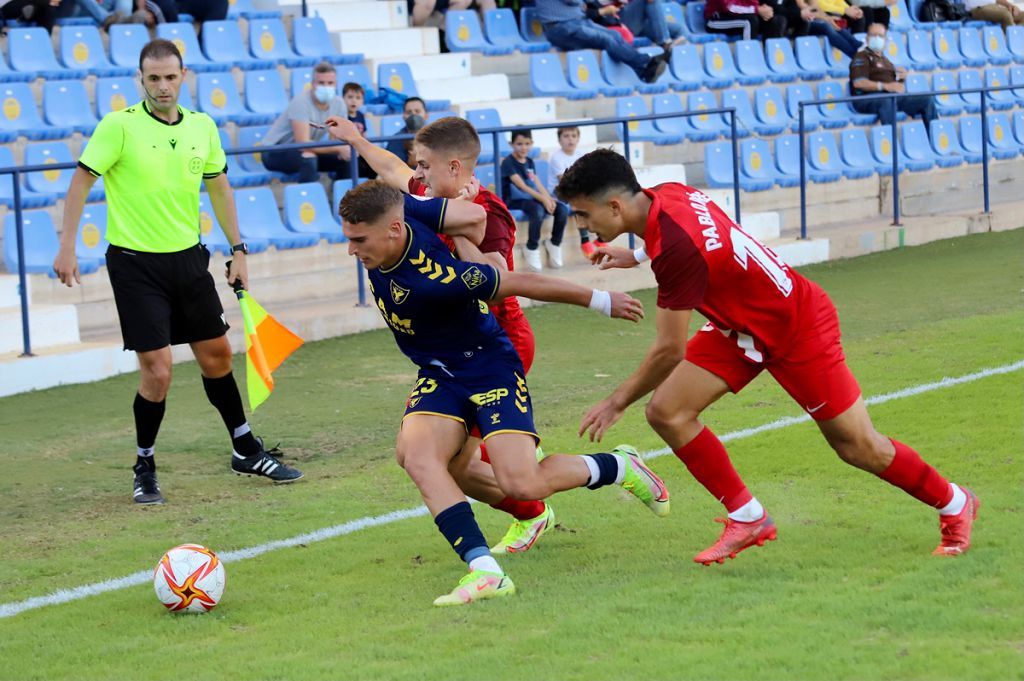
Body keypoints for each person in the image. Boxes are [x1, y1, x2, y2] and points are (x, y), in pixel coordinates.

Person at [556, 148, 979, 563]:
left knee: (858, 447)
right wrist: (637, 255)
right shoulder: (667, 194)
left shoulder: (677, 251)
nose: (582, 224)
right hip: (741, 329)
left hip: (796, 328)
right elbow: (690, 237)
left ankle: (955, 502)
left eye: (583, 213)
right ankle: (748, 518)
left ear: (614, 206)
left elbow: (669, 349)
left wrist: (616, 402)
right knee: (668, 411)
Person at [338, 180, 669, 605]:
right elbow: (450, 208)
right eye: (347, 238)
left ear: (395, 230)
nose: (351, 251)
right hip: (440, 372)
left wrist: (600, 300)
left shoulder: (436, 280)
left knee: (522, 482)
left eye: (358, 240)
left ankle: (618, 466)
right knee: (420, 457)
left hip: (488, 367)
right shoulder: (402, 210)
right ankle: (484, 571)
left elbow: (521, 282)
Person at [52, 39, 301, 505]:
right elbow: (80, 182)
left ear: (183, 76)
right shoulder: (118, 127)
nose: (163, 86)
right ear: (140, 80)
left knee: (218, 357)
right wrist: (67, 246)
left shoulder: (202, 127)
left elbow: (220, 187)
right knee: (158, 372)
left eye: (170, 77)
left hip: (189, 260)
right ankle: (144, 465)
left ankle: (244, 448)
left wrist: (239, 250)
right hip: (134, 265)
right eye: (153, 79)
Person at [325, 115, 557, 555]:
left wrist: (465, 228)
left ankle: (551, 490)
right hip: (454, 347)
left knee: (458, 465)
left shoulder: (488, 212)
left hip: (497, 340)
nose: (417, 174)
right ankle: (529, 502)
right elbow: (391, 170)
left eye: (425, 166)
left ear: (454, 167)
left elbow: (498, 277)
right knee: (449, 464)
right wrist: (355, 138)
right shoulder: (430, 196)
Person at [535, 0, 669, 83]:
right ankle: (645, 62)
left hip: (578, 21)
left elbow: (583, 6)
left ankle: (643, 71)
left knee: (615, 35)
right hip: (560, 28)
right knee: (605, 39)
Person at [261, 62, 353, 183]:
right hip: (275, 152)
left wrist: (342, 150)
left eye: (330, 83)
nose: (326, 87)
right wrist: (338, 148)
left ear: (336, 84)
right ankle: (307, 199)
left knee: (346, 158)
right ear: (313, 84)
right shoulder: (300, 102)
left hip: (305, 150)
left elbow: (335, 141)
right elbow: (302, 143)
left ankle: (343, 198)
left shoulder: (339, 103)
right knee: (308, 157)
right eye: (321, 83)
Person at [502, 129, 568, 272]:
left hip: (532, 198)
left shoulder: (530, 161)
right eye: (519, 144)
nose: (523, 147)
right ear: (511, 144)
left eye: (527, 144)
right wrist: (543, 200)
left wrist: (550, 199)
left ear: (532, 144)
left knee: (561, 209)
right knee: (537, 210)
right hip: (514, 200)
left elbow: (536, 183)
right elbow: (523, 187)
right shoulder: (508, 163)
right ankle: (531, 246)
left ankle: (554, 243)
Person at [850, 23, 936, 129]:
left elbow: (892, 85)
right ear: (867, 38)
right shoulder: (862, 56)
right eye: (873, 35)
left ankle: (933, 137)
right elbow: (858, 83)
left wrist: (900, 79)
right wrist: (884, 86)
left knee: (926, 99)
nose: (877, 38)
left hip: (888, 98)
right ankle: (893, 142)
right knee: (887, 100)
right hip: (866, 99)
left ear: (885, 40)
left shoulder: (885, 60)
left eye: (880, 36)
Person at [547, 126, 603, 258]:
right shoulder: (556, 157)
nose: (570, 139)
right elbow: (564, 180)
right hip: (559, 191)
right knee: (580, 201)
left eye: (573, 136)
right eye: (566, 136)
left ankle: (601, 238)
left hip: (576, 189)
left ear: (578, 139)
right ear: (559, 140)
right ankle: (585, 240)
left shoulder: (581, 155)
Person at [797, 0, 862, 57]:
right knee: (827, 26)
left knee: (835, 24)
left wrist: (828, 18)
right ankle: (855, 55)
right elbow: (804, 10)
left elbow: (816, 8)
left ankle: (859, 47)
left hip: (810, 19)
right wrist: (826, 18)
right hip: (798, 21)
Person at [704, 0, 785, 40]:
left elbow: (752, 3)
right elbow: (730, 7)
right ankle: (749, 59)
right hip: (716, 21)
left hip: (739, 18)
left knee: (777, 20)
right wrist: (757, 10)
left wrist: (764, 11)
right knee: (750, 21)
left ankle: (770, 59)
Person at [385, 97, 429, 169]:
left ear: (426, 115)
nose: (413, 115)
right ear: (403, 117)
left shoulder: (438, 137)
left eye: (417, 111)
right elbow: (393, 171)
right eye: (409, 112)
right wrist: (411, 164)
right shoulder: (396, 140)